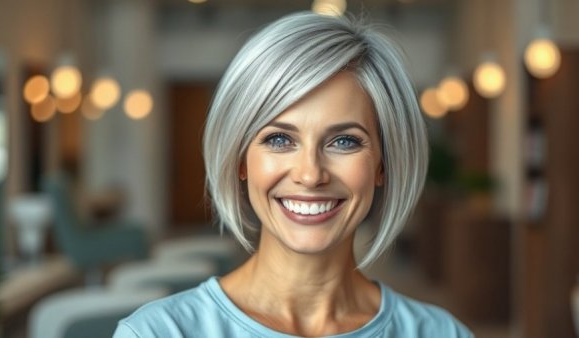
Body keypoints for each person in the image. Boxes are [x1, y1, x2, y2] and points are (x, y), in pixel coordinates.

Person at [113, 11, 473, 338]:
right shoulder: (156, 333)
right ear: (241, 159)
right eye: (280, 139)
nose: (310, 174)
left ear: (382, 164)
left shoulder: (441, 333)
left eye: (345, 141)